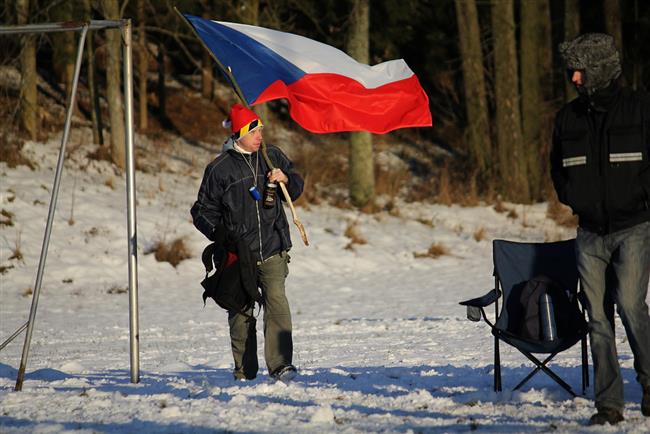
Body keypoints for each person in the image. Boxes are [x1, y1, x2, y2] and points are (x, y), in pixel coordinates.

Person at [551, 33, 650, 425]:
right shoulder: (567, 118)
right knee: (597, 318)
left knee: (629, 303)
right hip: (589, 231)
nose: (574, 79)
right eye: (572, 72)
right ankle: (609, 405)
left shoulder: (641, 108)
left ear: (600, 70)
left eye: (580, 71)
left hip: (635, 227)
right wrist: (575, 198)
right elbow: (558, 170)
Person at [191, 103, 304, 382]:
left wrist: (285, 179)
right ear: (238, 133)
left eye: (261, 129)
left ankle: (281, 366)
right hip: (238, 256)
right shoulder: (219, 169)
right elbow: (201, 211)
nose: (259, 136)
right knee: (241, 312)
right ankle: (244, 371)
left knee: (277, 302)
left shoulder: (272, 155)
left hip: (274, 247)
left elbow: (298, 187)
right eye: (254, 131)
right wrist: (221, 236)